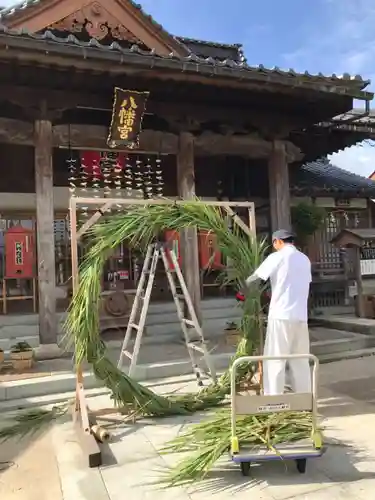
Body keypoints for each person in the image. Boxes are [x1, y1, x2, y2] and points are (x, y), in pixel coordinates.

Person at [245, 229, 312, 395]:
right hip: (301, 317)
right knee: (301, 360)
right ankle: (304, 399)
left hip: (281, 316)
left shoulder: (277, 257)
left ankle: (274, 400)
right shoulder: (305, 259)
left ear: (278, 241)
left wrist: (244, 286)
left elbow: (256, 277)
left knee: (275, 360)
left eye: (274, 243)